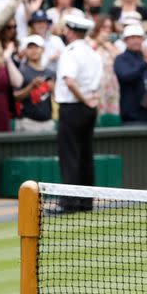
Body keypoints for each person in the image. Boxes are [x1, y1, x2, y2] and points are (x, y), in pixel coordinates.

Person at [54, 15, 102, 210]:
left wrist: (83, 100)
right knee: (84, 154)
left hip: (73, 107)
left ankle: (70, 202)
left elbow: (70, 81)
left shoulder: (70, 52)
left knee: (71, 155)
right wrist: (91, 101)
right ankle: (85, 201)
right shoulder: (93, 53)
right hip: (89, 108)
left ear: (71, 32)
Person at [113, 24, 147, 124]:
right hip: (133, 116)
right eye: (132, 38)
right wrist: (144, 64)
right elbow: (126, 76)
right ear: (125, 40)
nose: (136, 41)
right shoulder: (121, 59)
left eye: (139, 37)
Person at [13, 33, 54, 133]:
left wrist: (53, 89)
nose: (34, 50)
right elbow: (14, 96)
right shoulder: (20, 72)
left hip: (48, 121)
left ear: (43, 49)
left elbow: (57, 98)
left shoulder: (51, 73)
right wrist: (31, 87)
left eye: (37, 47)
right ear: (25, 51)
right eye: (30, 47)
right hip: (27, 121)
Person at [86, 15, 120, 117]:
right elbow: (87, 55)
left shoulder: (114, 44)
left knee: (111, 113)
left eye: (110, 27)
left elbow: (118, 58)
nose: (107, 30)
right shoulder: (89, 41)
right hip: (95, 83)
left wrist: (106, 44)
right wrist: (98, 42)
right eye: (104, 27)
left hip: (111, 83)